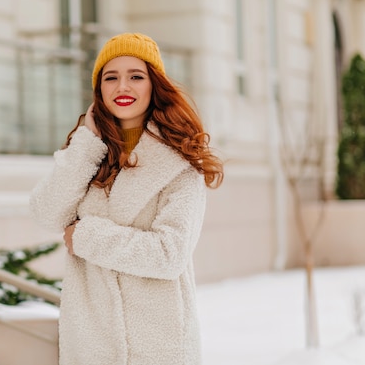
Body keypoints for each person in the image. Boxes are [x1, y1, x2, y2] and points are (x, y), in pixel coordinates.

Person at [30, 32, 223, 365]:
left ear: (154, 85)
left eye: (136, 76)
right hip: (90, 345)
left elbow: (169, 255)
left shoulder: (180, 162)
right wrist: (86, 146)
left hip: (158, 347)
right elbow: (46, 214)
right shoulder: (89, 154)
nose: (123, 87)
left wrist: (86, 237)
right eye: (111, 77)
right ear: (99, 89)